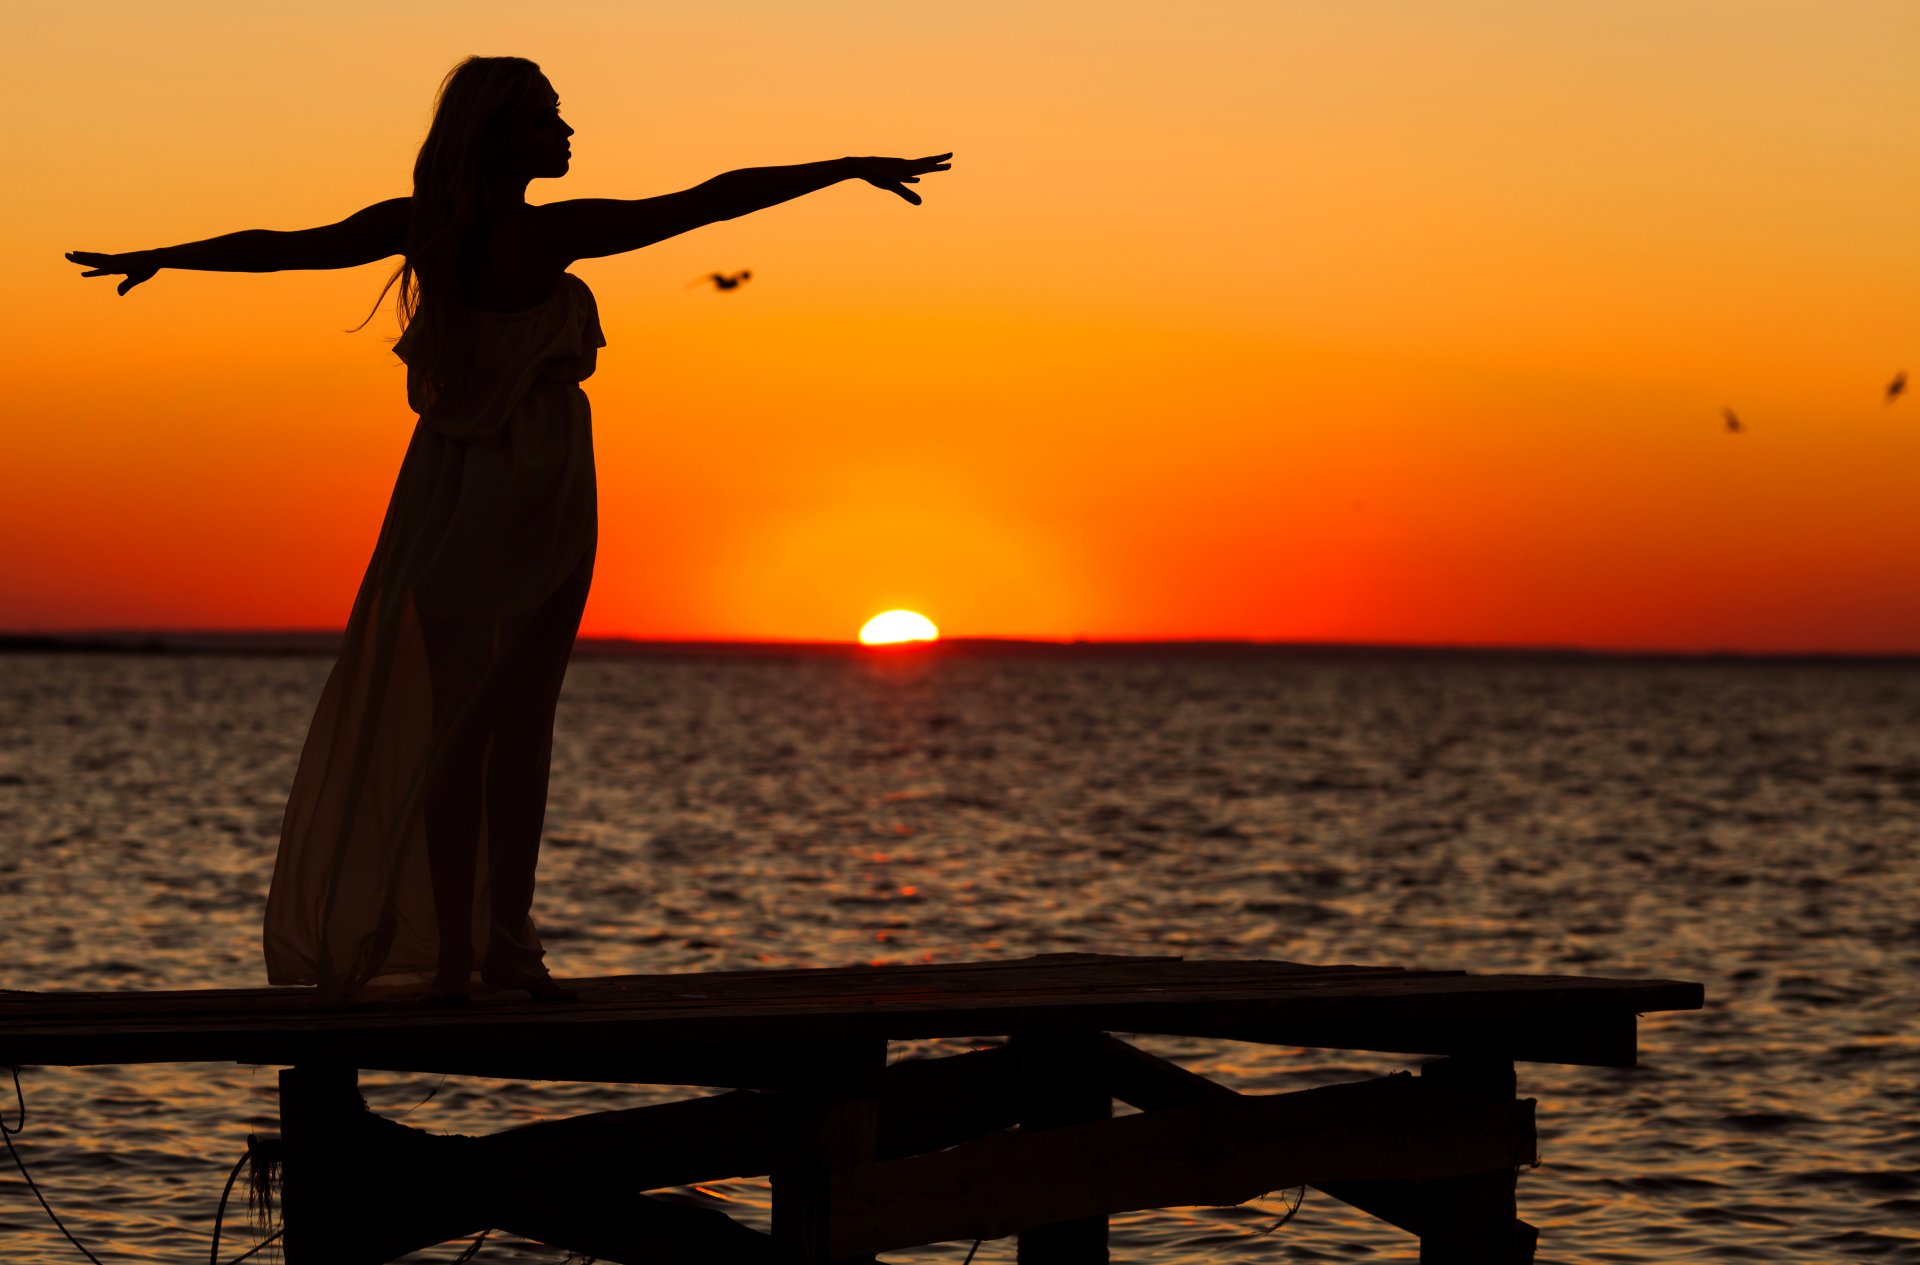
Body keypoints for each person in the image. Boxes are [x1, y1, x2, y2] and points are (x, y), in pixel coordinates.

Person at [67, 55, 951, 1002]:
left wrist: (164, 256)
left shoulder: (429, 233)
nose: (566, 132)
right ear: (498, 137)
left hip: (451, 488)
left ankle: (463, 956)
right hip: (535, 491)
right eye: (546, 119)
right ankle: (504, 947)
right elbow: (712, 202)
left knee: (466, 729)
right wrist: (845, 165)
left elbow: (288, 244)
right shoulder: (545, 235)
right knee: (518, 732)